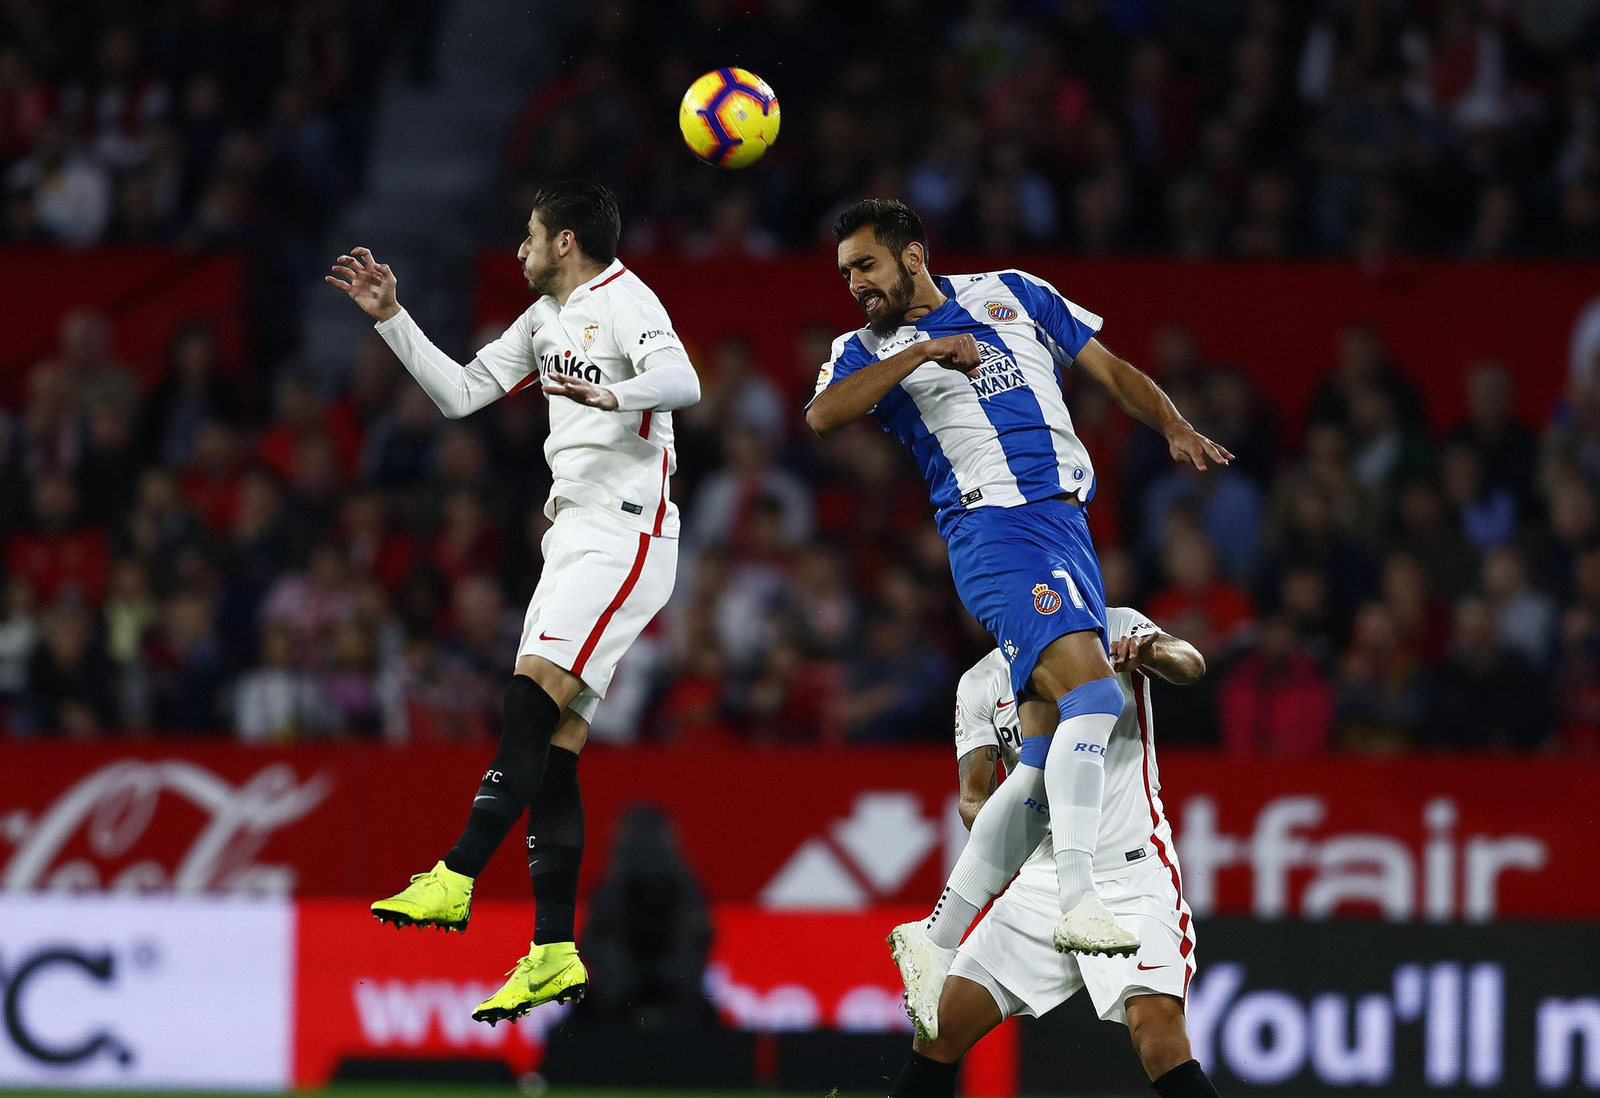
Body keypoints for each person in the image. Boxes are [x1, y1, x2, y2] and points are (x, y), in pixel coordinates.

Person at [804, 199, 1226, 966]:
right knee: (1094, 696)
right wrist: (921, 354)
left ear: (912, 256)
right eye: (845, 273)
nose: (855, 284)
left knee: (1039, 758)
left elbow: (1109, 369)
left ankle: (933, 941)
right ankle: (1079, 901)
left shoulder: (1014, 291)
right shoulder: (864, 349)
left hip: (1065, 527)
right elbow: (822, 416)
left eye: (866, 265)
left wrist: (1170, 422)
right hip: (996, 530)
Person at [324, 180, 700, 1025]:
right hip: (569, 538)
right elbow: (460, 394)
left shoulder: (627, 299)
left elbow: (683, 380)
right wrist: (392, 318)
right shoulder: (541, 321)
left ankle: (455, 874)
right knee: (554, 743)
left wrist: (617, 393)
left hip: (627, 532)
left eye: (530, 234)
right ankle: (553, 950)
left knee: (527, 700)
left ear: (566, 241)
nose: (520, 247)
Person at [886, 609, 1219, 1098]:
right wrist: (1015, 816)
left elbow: (1190, 664)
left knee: (1159, 1040)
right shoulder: (980, 683)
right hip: (1043, 881)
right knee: (939, 1031)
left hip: (1131, 877)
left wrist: (1150, 650)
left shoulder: (1113, 626)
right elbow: (973, 798)